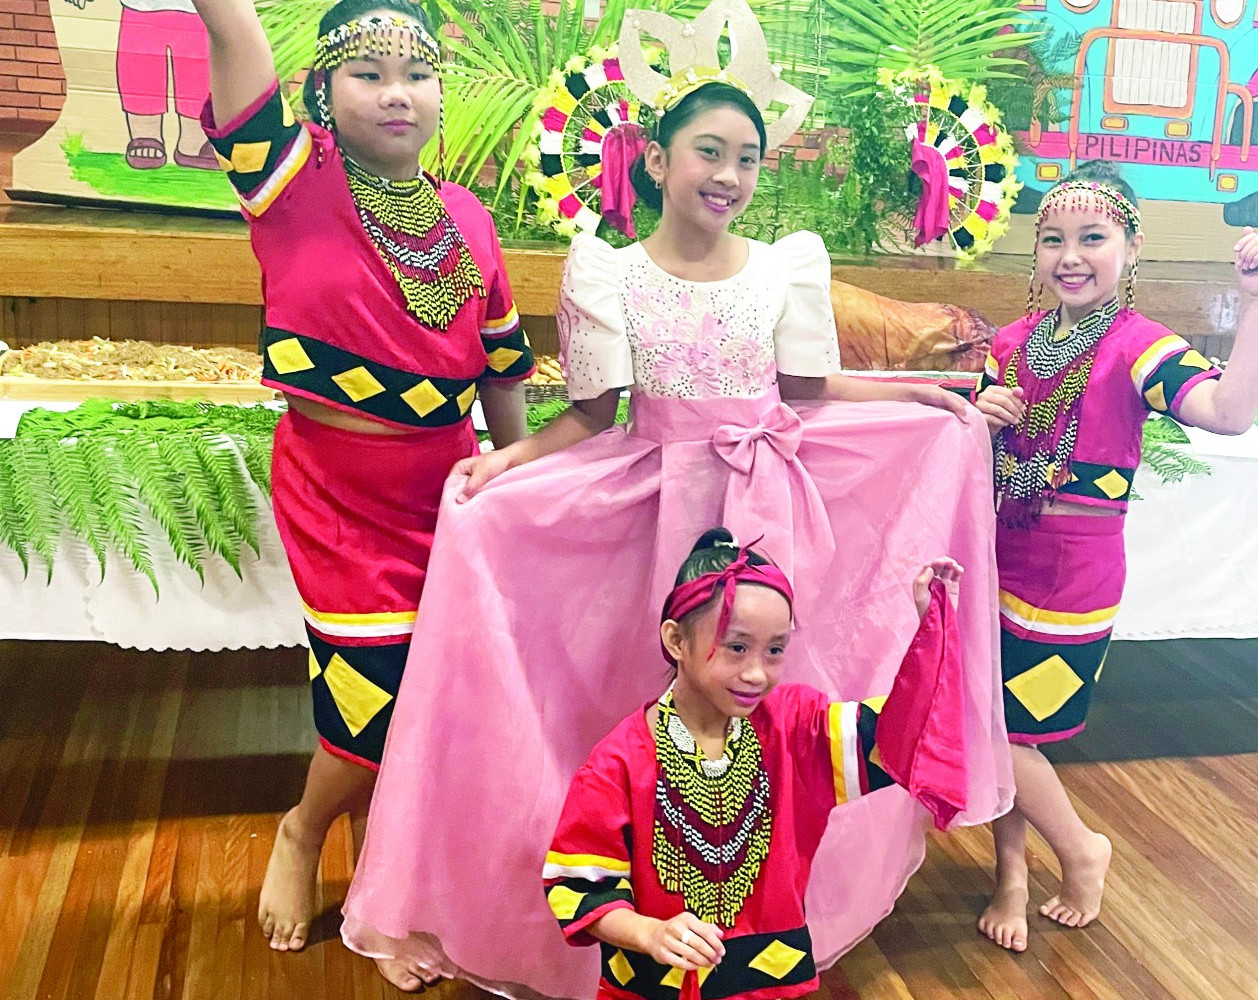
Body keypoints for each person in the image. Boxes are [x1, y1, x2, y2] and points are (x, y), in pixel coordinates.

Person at [342, 63, 1010, 999]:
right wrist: (506, 463)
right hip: (652, 506)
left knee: (762, 694)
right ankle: (627, 902)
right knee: (634, 694)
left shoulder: (783, 267)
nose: (729, 174)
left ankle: (756, 905)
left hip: (767, 502)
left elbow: (807, 392)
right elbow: (592, 415)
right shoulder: (611, 272)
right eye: (709, 151)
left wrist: (925, 395)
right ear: (656, 159)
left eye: (748, 157)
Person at [190, 0, 532, 974]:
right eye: (368, 73)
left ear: (439, 94)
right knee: (371, 694)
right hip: (334, 492)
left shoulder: (467, 218)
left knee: (438, 698)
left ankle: (391, 883)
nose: (396, 93)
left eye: (415, 73)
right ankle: (302, 829)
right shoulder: (289, 178)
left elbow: (502, 367)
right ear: (325, 93)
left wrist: (508, 484)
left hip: (443, 491)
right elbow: (234, 37)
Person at [971, 160, 1258, 952]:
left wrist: (1257, 305)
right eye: (1053, 239)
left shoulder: (1139, 347)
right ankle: (1011, 874)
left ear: (1131, 248)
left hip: (1073, 577)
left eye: (1093, 237)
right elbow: (964, 458)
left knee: (1012, 734)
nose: (1070, 255)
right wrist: (977, 418)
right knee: (997, 727)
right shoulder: (1009, 345)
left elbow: (1229, 412)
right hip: (996, 559)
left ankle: (1081, 849)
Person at [544, 530, 968, 999]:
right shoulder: (619, 762)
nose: (757, 673)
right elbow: (580, 886)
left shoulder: (795, 729)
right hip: (653, 987)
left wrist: (931, 628)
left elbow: (899, 736)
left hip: (769, 985)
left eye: (775, 650)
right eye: (737, 647)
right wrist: (648, 933)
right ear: (676, 640)